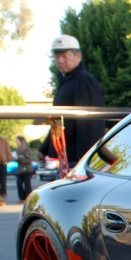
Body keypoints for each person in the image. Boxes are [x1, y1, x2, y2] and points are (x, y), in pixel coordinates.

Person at [38, 34, 106, 168]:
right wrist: (45, 148)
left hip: (76, 160)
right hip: (66, 158)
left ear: (78, 56)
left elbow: (89, 125)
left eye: (65, 56)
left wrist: (85, 161)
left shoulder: (84, 81)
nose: (60, 60)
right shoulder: (65, 82)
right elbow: (59, 121)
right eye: (57, 57)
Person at [14, 135, 35, 201]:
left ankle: (28, 198)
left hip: (27, 170)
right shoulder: (17, 150)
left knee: (27, 184)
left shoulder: (27, 150)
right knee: (19, 183)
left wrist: (19, 158)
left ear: (21, 141)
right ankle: (22, 197)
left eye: (17, 141)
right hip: (20, 170)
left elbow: (28, 160)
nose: (16, 142)